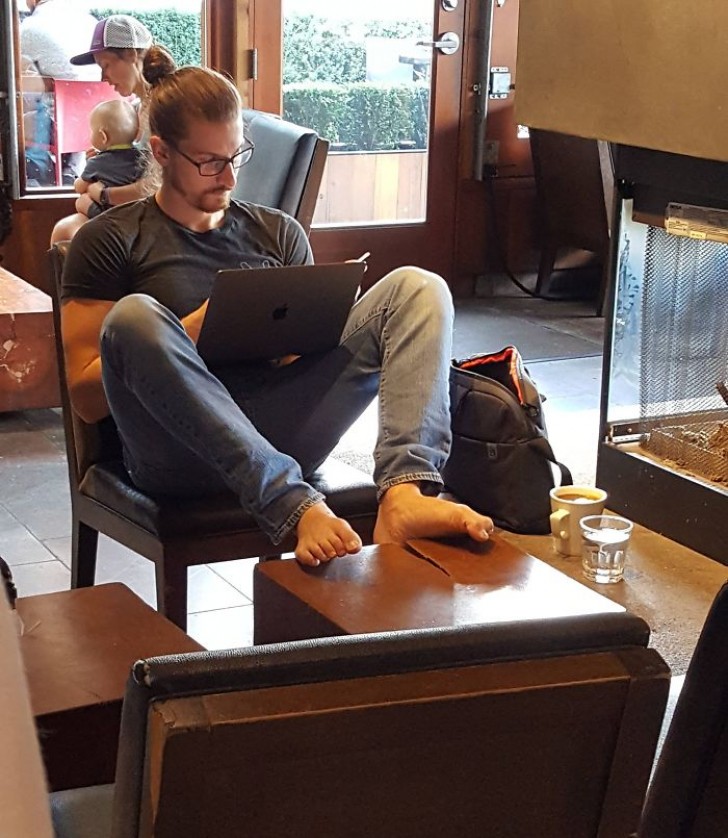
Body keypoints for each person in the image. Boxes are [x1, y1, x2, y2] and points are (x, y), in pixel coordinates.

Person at [60, 64, 495, 567]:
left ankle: (405, 492)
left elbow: (301, 366)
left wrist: (300, 337)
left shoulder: (278, 233)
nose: (227, 177)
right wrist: (190, 331)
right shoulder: (109, 241)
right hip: (173, 453)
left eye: (236, 157)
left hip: (282, 436)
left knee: (419, 288)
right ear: (160, 152)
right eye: (208, 162)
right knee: (136, 317)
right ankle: (290, 504)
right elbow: (88, 400)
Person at [51, 14, 173, 244]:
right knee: (64, 231)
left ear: (131, 54)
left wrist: (104, 194)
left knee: (79, 236)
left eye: (106, 65)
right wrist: (108, 158)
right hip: (133, 212)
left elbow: (158, 184)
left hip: (155, 219)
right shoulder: (136, 108)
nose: (103, 77)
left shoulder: (163, 108)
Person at [19, 0, 99, 186]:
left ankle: (34, 173)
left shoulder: (30, 27)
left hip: (64, 124)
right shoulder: (89, 21)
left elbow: (13, 71)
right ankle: (70, 170)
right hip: (99, 121)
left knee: (26, 103)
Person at [74, 99, 144, 219]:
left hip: (110, 212)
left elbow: (80, 187)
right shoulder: (144, 157)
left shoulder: (97, 162)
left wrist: (84, 173)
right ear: (137, 132)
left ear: (103, 137)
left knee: (82, 201)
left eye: (92, 131)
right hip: (137, 214)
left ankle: (103, 219)